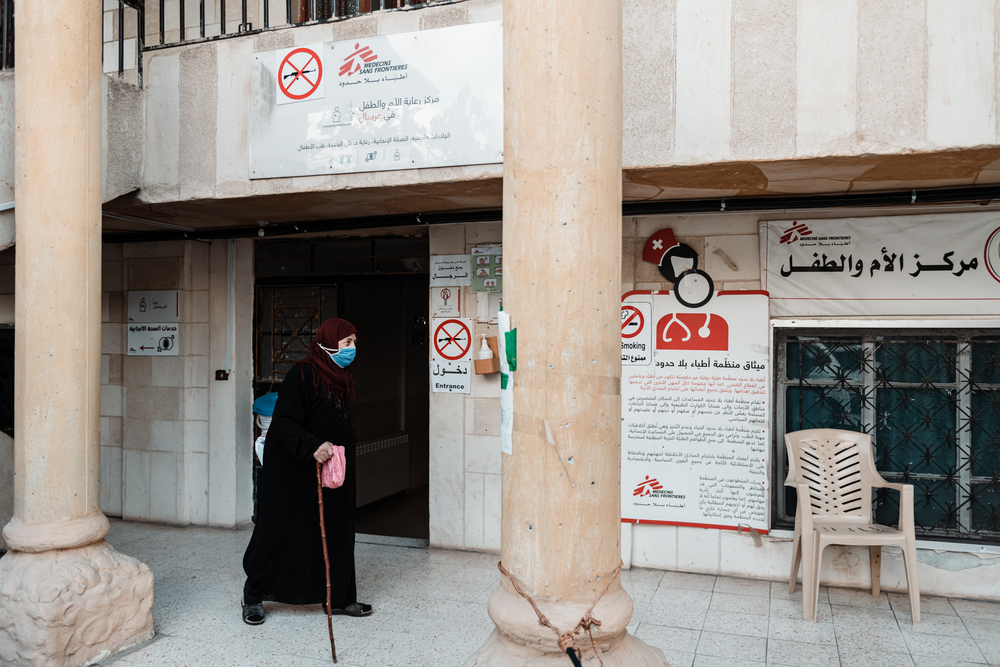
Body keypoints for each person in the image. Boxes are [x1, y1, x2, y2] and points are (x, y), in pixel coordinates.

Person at [241, 318, 372, 624]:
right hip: (295, 469)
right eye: (347, 343)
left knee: (336, 529)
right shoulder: (304, 373)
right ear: (329, 343)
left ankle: (338, 598)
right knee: (279, 532)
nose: (353, 349)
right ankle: (253, 596)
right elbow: (284, 421)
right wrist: (311, 444)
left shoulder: (343, 376)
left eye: (354, 342)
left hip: (331, 471)